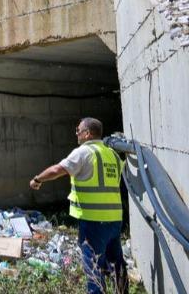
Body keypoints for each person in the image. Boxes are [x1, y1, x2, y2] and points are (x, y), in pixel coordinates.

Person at [29, 118, 128, 294]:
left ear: (87, 133)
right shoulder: (112, 154)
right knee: (116, 265)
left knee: (93, 267)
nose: (76, 133)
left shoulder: (83, 152)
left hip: (93, 222)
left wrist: (38, 179)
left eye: (78, 130)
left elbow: (57, 170)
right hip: (114, 220)